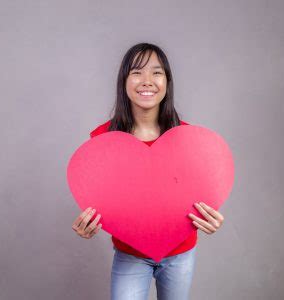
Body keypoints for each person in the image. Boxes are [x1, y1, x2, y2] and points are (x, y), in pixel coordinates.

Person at [71, 43, 225, 300]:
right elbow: (104, 201)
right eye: (137, 72)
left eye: (156, 72)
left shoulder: (188, 139)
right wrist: (90, 222)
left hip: (180, 255)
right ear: (124, 81)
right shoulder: (102, 139)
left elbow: (199, 194)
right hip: (130, 256)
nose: (147, 81)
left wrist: (212, 217)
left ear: (167, 81)